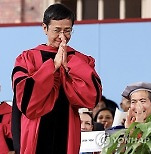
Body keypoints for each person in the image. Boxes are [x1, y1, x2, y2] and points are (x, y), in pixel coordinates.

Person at [11, 3, 102, 154]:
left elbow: (91, 98)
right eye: (57, 30)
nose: (62, 36)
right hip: (35, 128)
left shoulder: (81, 59)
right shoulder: (28, 58)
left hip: (67, 128)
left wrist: (70, 66)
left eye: (67, 30)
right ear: (44, 28)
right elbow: (24, 98)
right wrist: (52, 67)